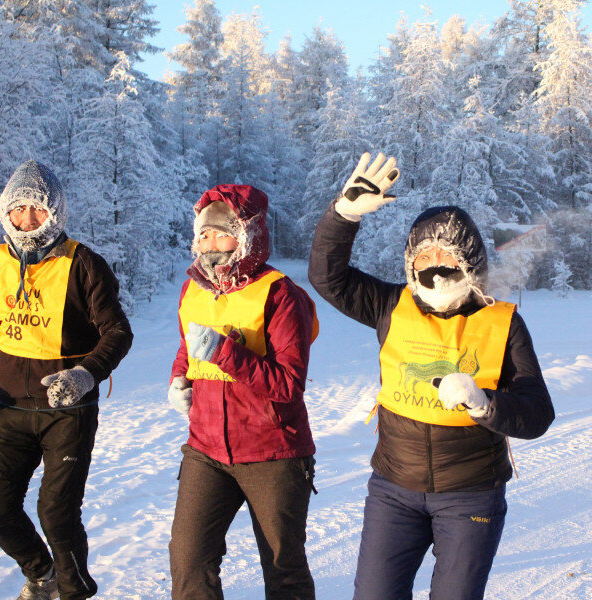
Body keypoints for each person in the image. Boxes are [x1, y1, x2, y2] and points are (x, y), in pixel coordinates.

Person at [308, 152, 555, 600]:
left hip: (471, 496)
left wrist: (485, 403)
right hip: (393, 491)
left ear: (471, 260)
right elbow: (328, 279)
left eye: (447, 254)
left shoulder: (503, 323)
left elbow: (538, 412)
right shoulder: (390, 305)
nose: (435, 266)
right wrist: (343, 216)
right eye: (424, 255)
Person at [0, 160, 133, 600]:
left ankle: (74, 591)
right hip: (11, 407)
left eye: (38, 210)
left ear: (55, 213)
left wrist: (84, 376)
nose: (27, 221)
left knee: (57, 514)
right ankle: (41, 575)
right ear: (4, 211)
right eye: (18, 209)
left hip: (68, 412)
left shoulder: (83, 263)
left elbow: (118, 333)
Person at [167, 184, 319, 600]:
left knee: (282, 568)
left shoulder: (282, 295)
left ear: (246, 235)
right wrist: (179, 378)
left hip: (273, 452)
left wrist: (224, 352)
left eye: (222, 232)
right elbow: (188, 345)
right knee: (188, 560)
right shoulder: (193, 288)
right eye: (204, 234)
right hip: (205, 449)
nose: (211, 244)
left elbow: (289, 384)